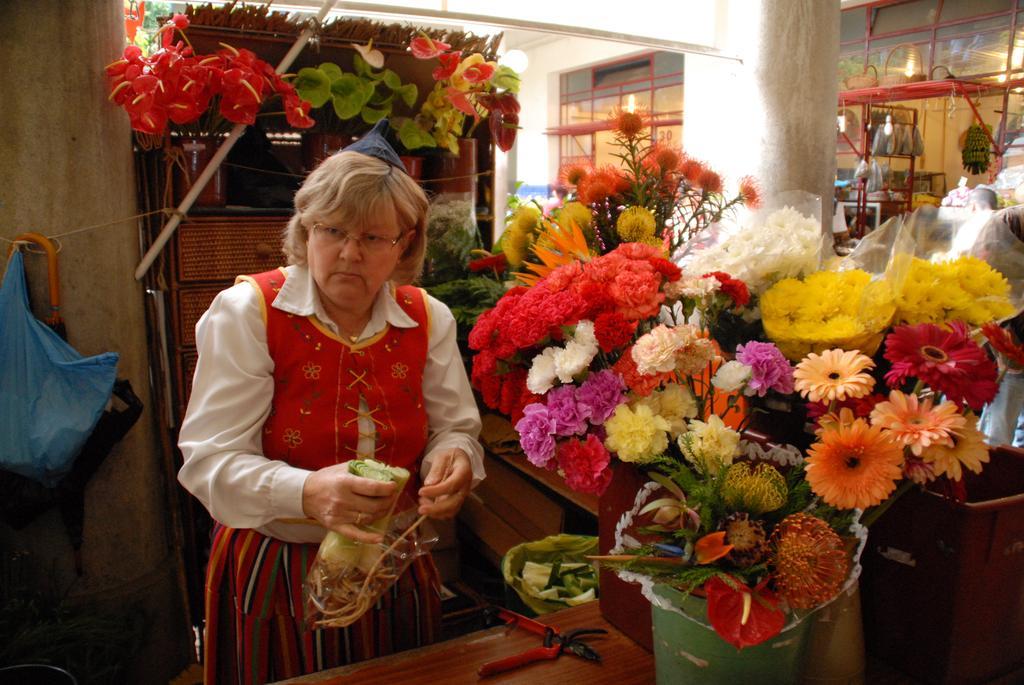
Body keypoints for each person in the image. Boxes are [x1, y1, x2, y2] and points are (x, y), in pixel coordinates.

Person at [177, 119, 485, 684]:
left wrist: (458, 456)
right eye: (332, 231)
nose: (348, 254)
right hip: (277, 565)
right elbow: (207, 464)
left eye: (372, 238)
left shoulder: (426, 317)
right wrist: (306, 491)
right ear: (305, 230)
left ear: (404, 245)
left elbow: (455, 428)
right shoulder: (249, 312)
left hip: (391, 565)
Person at [979, 205, 1024, 447]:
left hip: (1013, 361)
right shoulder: (1010, 219)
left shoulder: (1010, 218)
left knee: (999, 426)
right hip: (1009, 354)